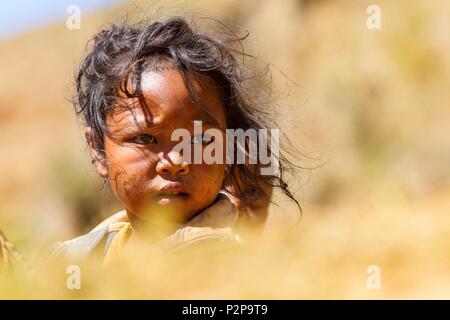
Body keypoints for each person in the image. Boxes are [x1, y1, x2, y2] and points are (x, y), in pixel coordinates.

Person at [52, 16, 299, 264]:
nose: (176, 161)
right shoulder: (73, 262)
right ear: (97, 150)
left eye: (201, 139)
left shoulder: (235, 266)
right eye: (145, 137)